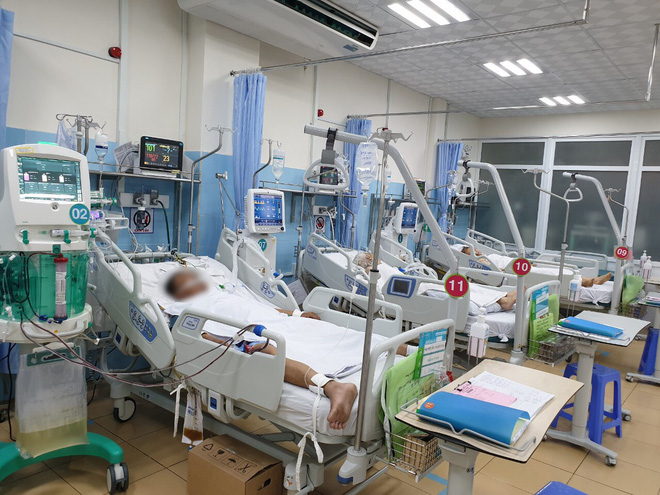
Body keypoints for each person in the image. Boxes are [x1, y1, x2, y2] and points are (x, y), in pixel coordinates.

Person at [164, 269, 410, 431]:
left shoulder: (227, 293)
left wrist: (297, 314)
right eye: (186, 283)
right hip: (251, 331)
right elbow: (198, 334)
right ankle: (332, 386)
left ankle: (407, 351)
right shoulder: (183, 309)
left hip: (277, 321)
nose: (195, 283)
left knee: (334, 334)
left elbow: (262, 307)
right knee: (273, 352)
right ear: (178, 292)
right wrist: (224, 343)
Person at [459, 246, 613, 287]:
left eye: (476, 249)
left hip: (519, 267)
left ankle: (590, 280)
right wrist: (505, 270)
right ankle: (586, 281)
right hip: (513, 272)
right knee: (551, 273)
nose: (477, 251)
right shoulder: (478, 262)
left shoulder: (489, 255)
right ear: (468, 255)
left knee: (554, 270)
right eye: (471, 251)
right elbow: (494, 271)